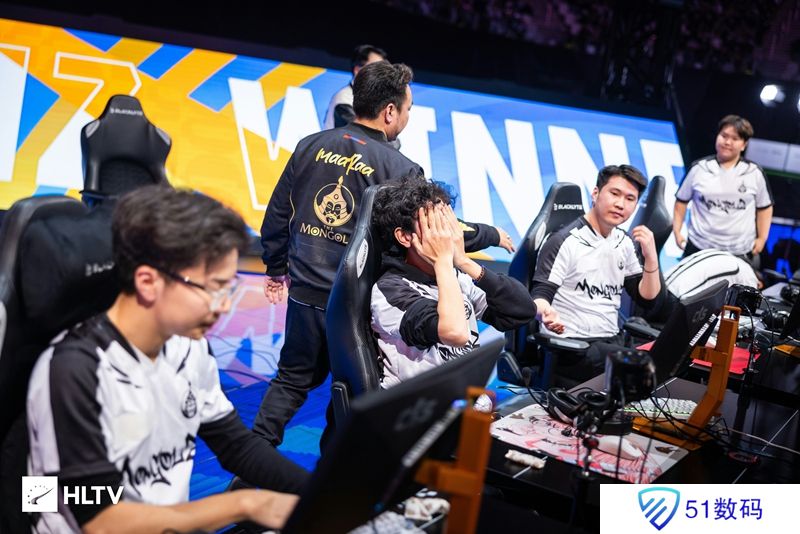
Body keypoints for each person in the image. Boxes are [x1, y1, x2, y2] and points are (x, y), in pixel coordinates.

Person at [256, 60, 515, 447]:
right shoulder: (402, 168)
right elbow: (435, 232)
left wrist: (276, 267)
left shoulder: (310, 145)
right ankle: (336, 471)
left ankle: (249, 462)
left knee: (291, 381)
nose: (407, 117)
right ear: (390, 111)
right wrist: (489, 234)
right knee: (352, 392)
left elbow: (278, 215)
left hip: (305, 293)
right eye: (408, 108)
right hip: (354, 305)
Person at [26, 187, 308, 534]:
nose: (224, 305)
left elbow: (236, 446)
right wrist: (245, 504)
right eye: (214, 289)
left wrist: (322, 492)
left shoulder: (188, 349)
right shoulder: (74, 370)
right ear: (148, 282)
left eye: (229, 289)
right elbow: (100, 520)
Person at [370, 178, 537, 388]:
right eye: (435, 225)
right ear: (404, 236)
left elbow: (523, 311)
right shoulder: (390, 290)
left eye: (448, 223)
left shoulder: (456, 276)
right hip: (423, 404)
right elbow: (454, 333)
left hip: (468, 400)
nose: (447, 234)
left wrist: (465, 262)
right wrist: (443, 262)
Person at [531, 165, 663, 385]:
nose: (620, 204)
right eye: (615, 193)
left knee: (670, 354)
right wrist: (545, 312)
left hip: (609, 341)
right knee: (646, 367)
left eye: (630, 198)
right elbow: (540, 294)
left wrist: (651, 257)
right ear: (595, 194)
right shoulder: (565, 241)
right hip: (573, 347)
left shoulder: (624, 242)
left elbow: (647, 299)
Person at [673, 114, 773, 268]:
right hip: (698, 247)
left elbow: (764, 208)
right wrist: (677, 230)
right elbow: (681, 201)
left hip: (740, 251)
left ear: (744, 145)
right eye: (724, 136)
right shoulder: (699, 168)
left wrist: (762, 238)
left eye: (735, 138)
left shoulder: (754, 173)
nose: (727, 142)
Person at [324, 44, 387, 130]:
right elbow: (359, 133)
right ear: (358, 70)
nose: (381, 75)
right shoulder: (344, 99)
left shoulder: (376, 100)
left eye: (382, 70)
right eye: (376, 68)